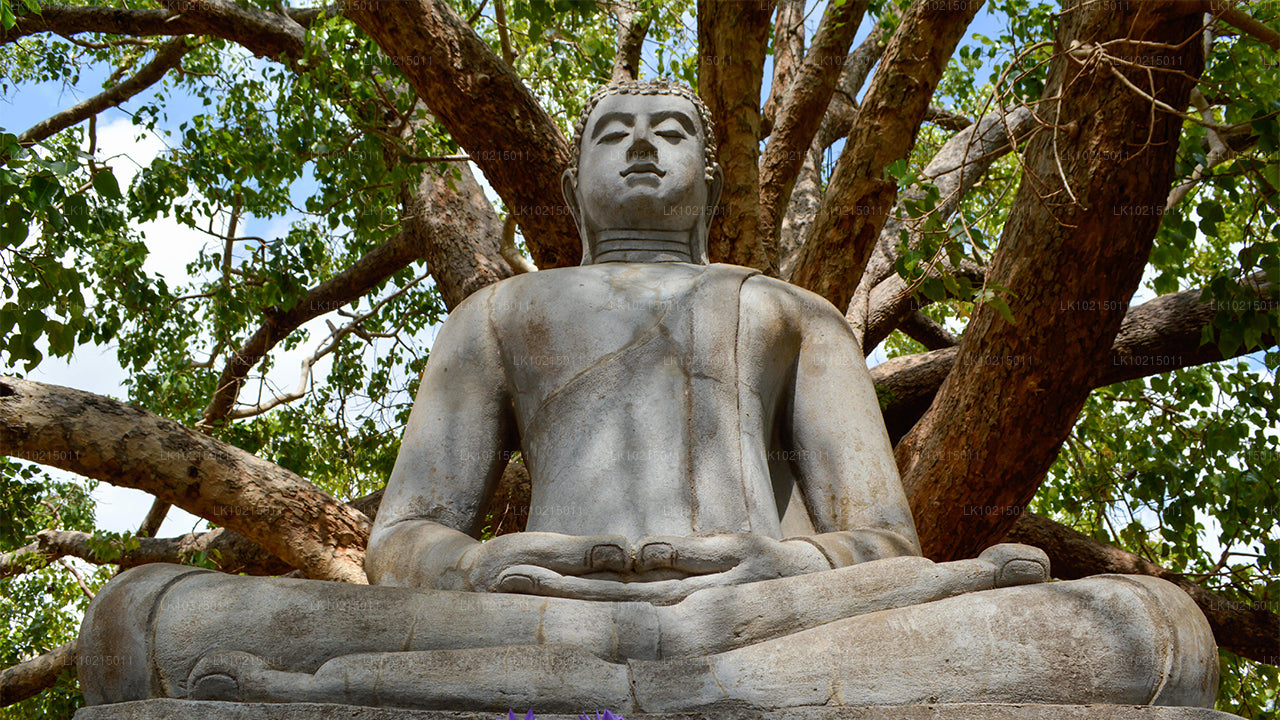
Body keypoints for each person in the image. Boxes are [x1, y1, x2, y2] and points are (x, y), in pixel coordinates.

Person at [77, 80, 1219, 714]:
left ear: (710, 183)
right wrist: (481, 565)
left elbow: (882, 540)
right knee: (143, 624)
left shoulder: (791, 313)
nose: (637, 149)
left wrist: (785, 563)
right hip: (538, 608)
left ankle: (652, 682)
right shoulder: (498, 315)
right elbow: (406, 538)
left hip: (757, 610)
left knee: (1138, 629)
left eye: (667, 131)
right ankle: (697, 687)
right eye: (611, 136)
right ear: (574, 181)